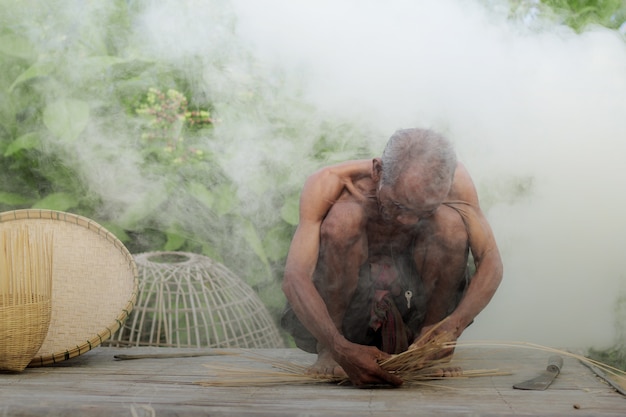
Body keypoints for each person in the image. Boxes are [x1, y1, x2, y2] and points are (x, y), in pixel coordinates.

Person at [281, 128, 503, 387]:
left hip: (416, 304)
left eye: (423, 211)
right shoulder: (329, 183)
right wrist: (337, 345)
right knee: (343, 221)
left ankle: (429, 338)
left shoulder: (454, 182)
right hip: (349, 314)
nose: (407, 221)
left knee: (450, 225)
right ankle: (328, 349)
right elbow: (294, 276)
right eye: (398, 205)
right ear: (378, 171)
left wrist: (454, 325)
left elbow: (490, 259)